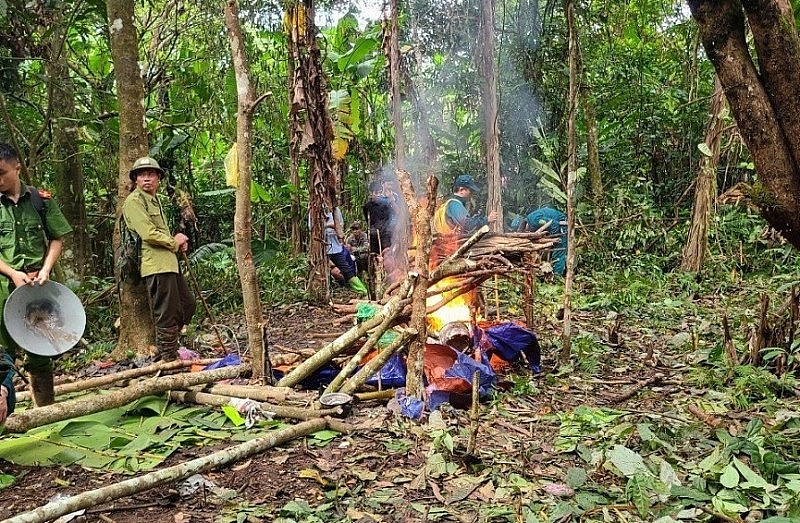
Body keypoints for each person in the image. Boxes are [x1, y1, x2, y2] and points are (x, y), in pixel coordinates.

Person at [0, 142, 73, 407]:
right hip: (4, 288)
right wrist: (11, 272)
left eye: (2, 172)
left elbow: (56, 238)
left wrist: (45, 269)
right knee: (2, 352)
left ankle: (45, 412)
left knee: (40, 350)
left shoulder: (40, 200)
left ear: (17, 167)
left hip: (37, 288)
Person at [122, 156, 196, 361]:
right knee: (166, 312)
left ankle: (170, 346)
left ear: (158, 179)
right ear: (135, 179)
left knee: (187, 304)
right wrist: (174, 241)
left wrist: (178, 243)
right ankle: (168, 357)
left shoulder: (155, 201)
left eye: (151, 174)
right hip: (155, 266)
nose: (146, 178)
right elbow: (148, 233)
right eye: (142, 175)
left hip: (169, 263)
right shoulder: (134, 201)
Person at [315, 206, 368, 295]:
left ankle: (362, 291)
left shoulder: (336, 210)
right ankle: (323, 293)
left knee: (347, 270)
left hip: (336, 247)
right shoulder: (315, 209)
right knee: (321, 271)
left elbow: (340, 227)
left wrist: (326, 225)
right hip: (321, 248)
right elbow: (312, 227)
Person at [432, 174, 498, 236]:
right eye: (470, 190)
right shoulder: (454, 204)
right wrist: (487, 220)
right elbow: (467, 225)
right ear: (461, 190)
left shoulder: (449, 203)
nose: (471, 194)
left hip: (446, 242)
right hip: (452, 244)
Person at [512, 206, 567, 276]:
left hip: (560, 225)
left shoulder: (535, 221)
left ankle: (557, 277)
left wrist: (554, 238)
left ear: (524, 225)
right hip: (555, 226)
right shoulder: (531, 220)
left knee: (559, 252)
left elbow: (553, 224)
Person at [362, 180, 394, 254]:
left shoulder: (386, 205)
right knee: (375, 254)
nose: (379, 195)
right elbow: (368, 220)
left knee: (386, 253)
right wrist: (374, 228)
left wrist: (384, 228)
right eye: (376, 193)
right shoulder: (367, 206)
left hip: (385, 234)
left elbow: (389, 218)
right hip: (373, 235)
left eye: (380, 192)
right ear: (371, 193)